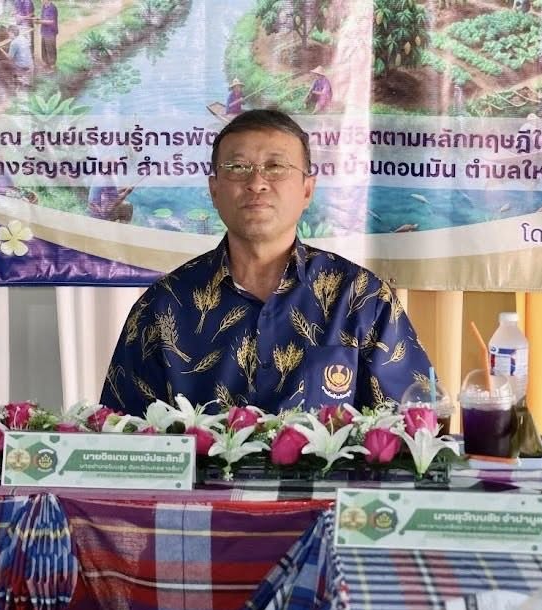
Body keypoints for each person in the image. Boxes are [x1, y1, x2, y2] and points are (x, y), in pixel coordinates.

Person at [100, 109, 434, 415]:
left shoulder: (362, 299)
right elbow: (122, 441)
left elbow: (414, 429)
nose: (256, 182)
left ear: (307, 190)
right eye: (237, 167)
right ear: (214, 189)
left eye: (275, 167)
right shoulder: (163, 305)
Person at [40, 1, 59, 70]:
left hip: (51, 32)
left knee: (50, 48)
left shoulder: (52, 8)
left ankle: (52, 66)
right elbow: (43, 18)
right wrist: (39, 20)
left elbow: (51, 21)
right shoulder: (43, 7)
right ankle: (45, 63)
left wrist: (40, 21)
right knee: (44, 48)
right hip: (44, 31)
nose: (41, 0)